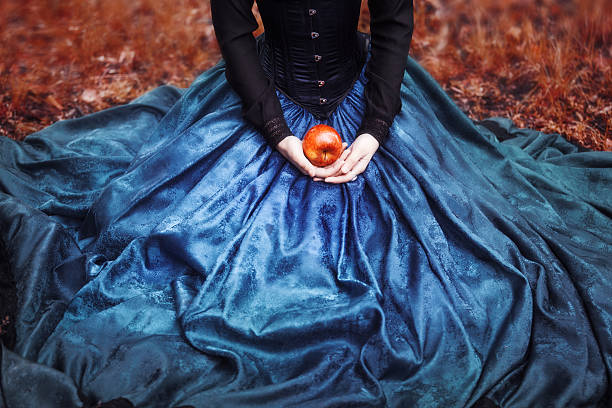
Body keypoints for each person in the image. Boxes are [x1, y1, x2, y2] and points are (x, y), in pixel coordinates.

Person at [0, 0, 610, 407]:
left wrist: (374, 129)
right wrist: (278, 133)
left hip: (363, 97)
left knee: (458, 256)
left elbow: (395, 24)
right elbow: (236, 30)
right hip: (271, 100)